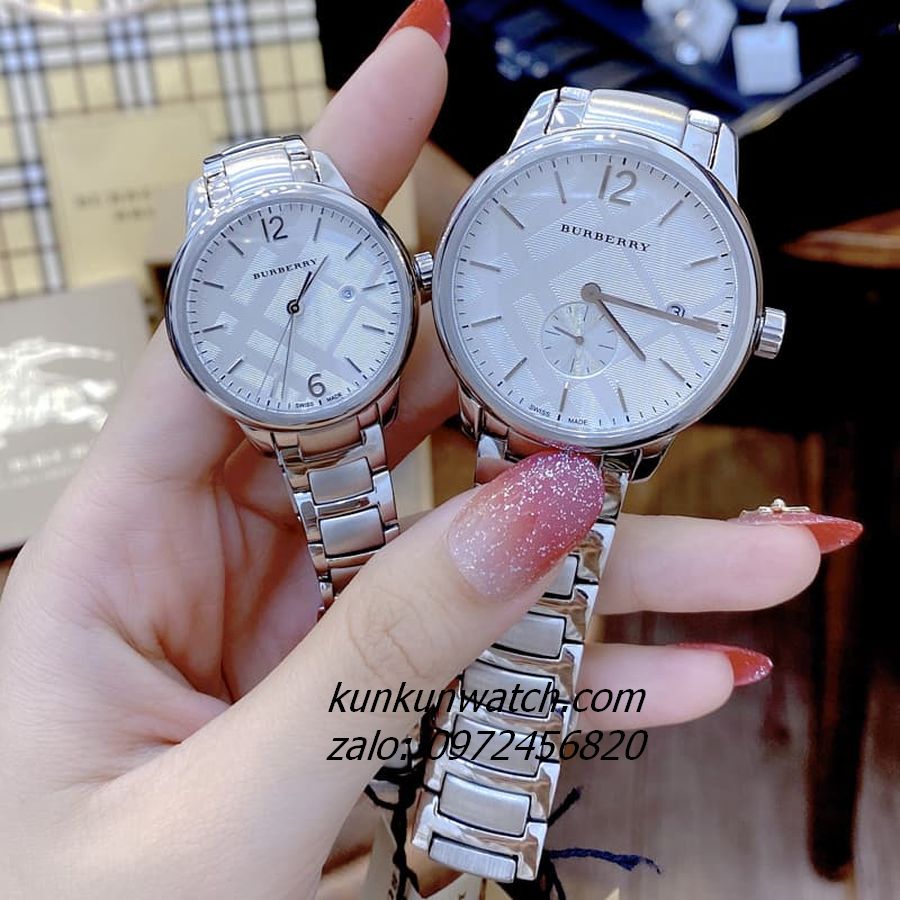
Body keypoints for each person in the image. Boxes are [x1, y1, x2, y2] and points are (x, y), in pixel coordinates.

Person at [0, 2, 848, 896]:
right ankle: (451, 817)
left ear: (748, 329)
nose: (592, 289)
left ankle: (455, 821)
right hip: (515, 403)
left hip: (581, 418)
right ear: (445, 274)